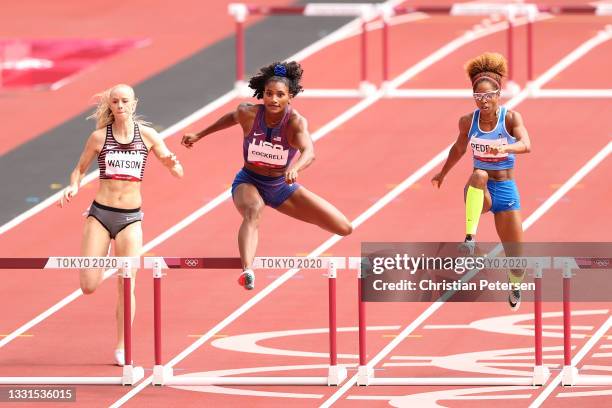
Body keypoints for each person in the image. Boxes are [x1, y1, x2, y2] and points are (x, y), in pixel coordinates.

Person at [181, 61, 352, 290]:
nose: (273, 99)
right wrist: (199, 134)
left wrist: (296, 168)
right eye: (269, 94)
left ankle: (299, 213)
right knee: (253, 211)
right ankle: (247, 271)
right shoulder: (248, 113)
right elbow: (231, 117)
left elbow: (309, 152)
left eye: (279, 95)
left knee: (343, 228)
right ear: (262, 94)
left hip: (281, 186)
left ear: (289, 97)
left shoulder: (295, 122)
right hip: (249, 181)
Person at [59, 84, 184, 365]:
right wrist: (73, 187)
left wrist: (174, 165)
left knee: (126, 283)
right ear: (111, 106)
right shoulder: (98, 137)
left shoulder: (148, 136)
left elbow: (171, 163)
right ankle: (99, 260)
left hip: (130, 219)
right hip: (100, 215)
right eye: (115, 101)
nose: (120, 106)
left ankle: (122, 345)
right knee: (89, 286)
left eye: (125, 101)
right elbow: (79, 169)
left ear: (134, 103)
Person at [431, 52, 531, 310]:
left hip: (506, 190)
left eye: (488, 96)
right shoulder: (468, 121)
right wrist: (443, 172)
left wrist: (506, 149)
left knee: (516, 255)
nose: (483, 101)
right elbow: (458, 149)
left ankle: (515, 286)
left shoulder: (510, 118)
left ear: (498, 95)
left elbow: (526, 144)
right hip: (480, 189)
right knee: (479, 173)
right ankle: (469, 237)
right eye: (478, 97)